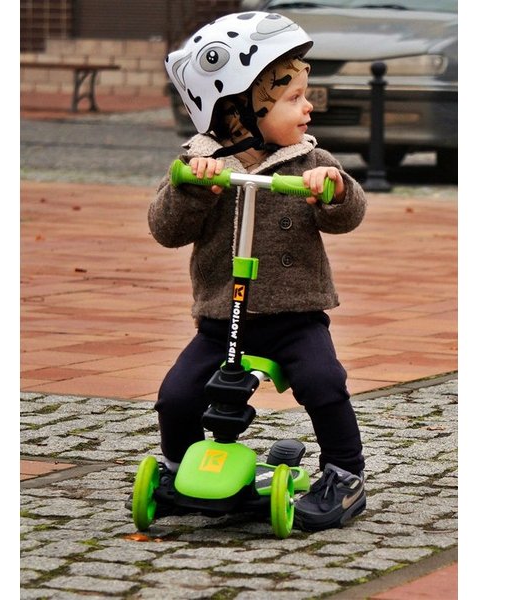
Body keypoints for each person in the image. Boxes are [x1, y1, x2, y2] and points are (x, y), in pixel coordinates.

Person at [142, 11, 367, 531]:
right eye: (293, 98)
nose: (308, 107)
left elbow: (347, 217)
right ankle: (178, 468)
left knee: (324, 382)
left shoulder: (308, 160)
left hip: (295, 316)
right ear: (237, 110)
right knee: (177, 396)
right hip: (222, 320)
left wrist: (335, 190)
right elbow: (166, 230)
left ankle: (345, 474)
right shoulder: (200, 163)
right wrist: (191, 190)